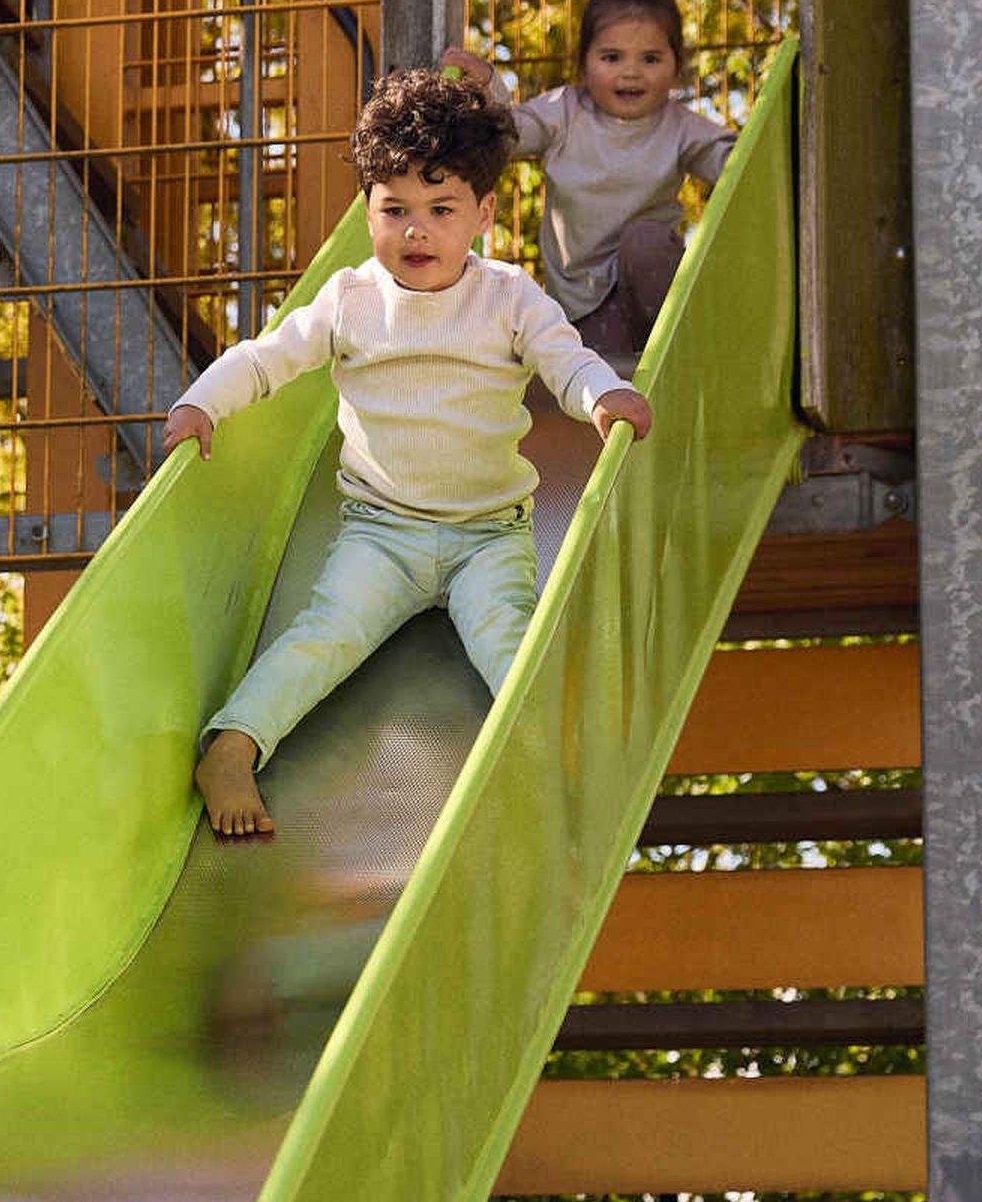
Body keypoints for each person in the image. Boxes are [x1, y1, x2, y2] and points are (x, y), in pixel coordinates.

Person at [162, 68, 652, 843]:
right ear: (367, 210)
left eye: (440, 209)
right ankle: (233, 746)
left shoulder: (510, 297)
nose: (416, 230)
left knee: (511, 642)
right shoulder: (351, 298)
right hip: (380, 532)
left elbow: (567, 360)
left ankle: (547, 768)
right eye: (395, 210)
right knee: (327, 632)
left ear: (484, 214)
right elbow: (267, 357)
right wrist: (202, 402)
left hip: (487, 534)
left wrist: (601, 397)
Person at [442, 0, 736, 372]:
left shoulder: (679, 126)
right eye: (612, 58)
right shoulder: (565, 112)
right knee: (602, 372)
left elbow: (732, 165)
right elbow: (508, 135)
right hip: (583, 302)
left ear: (676, 68)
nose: (631, 72)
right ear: (583, 64)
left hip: (652, 293)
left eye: (650, 59)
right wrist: (487, 89)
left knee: (647, 241)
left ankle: (677, 352)